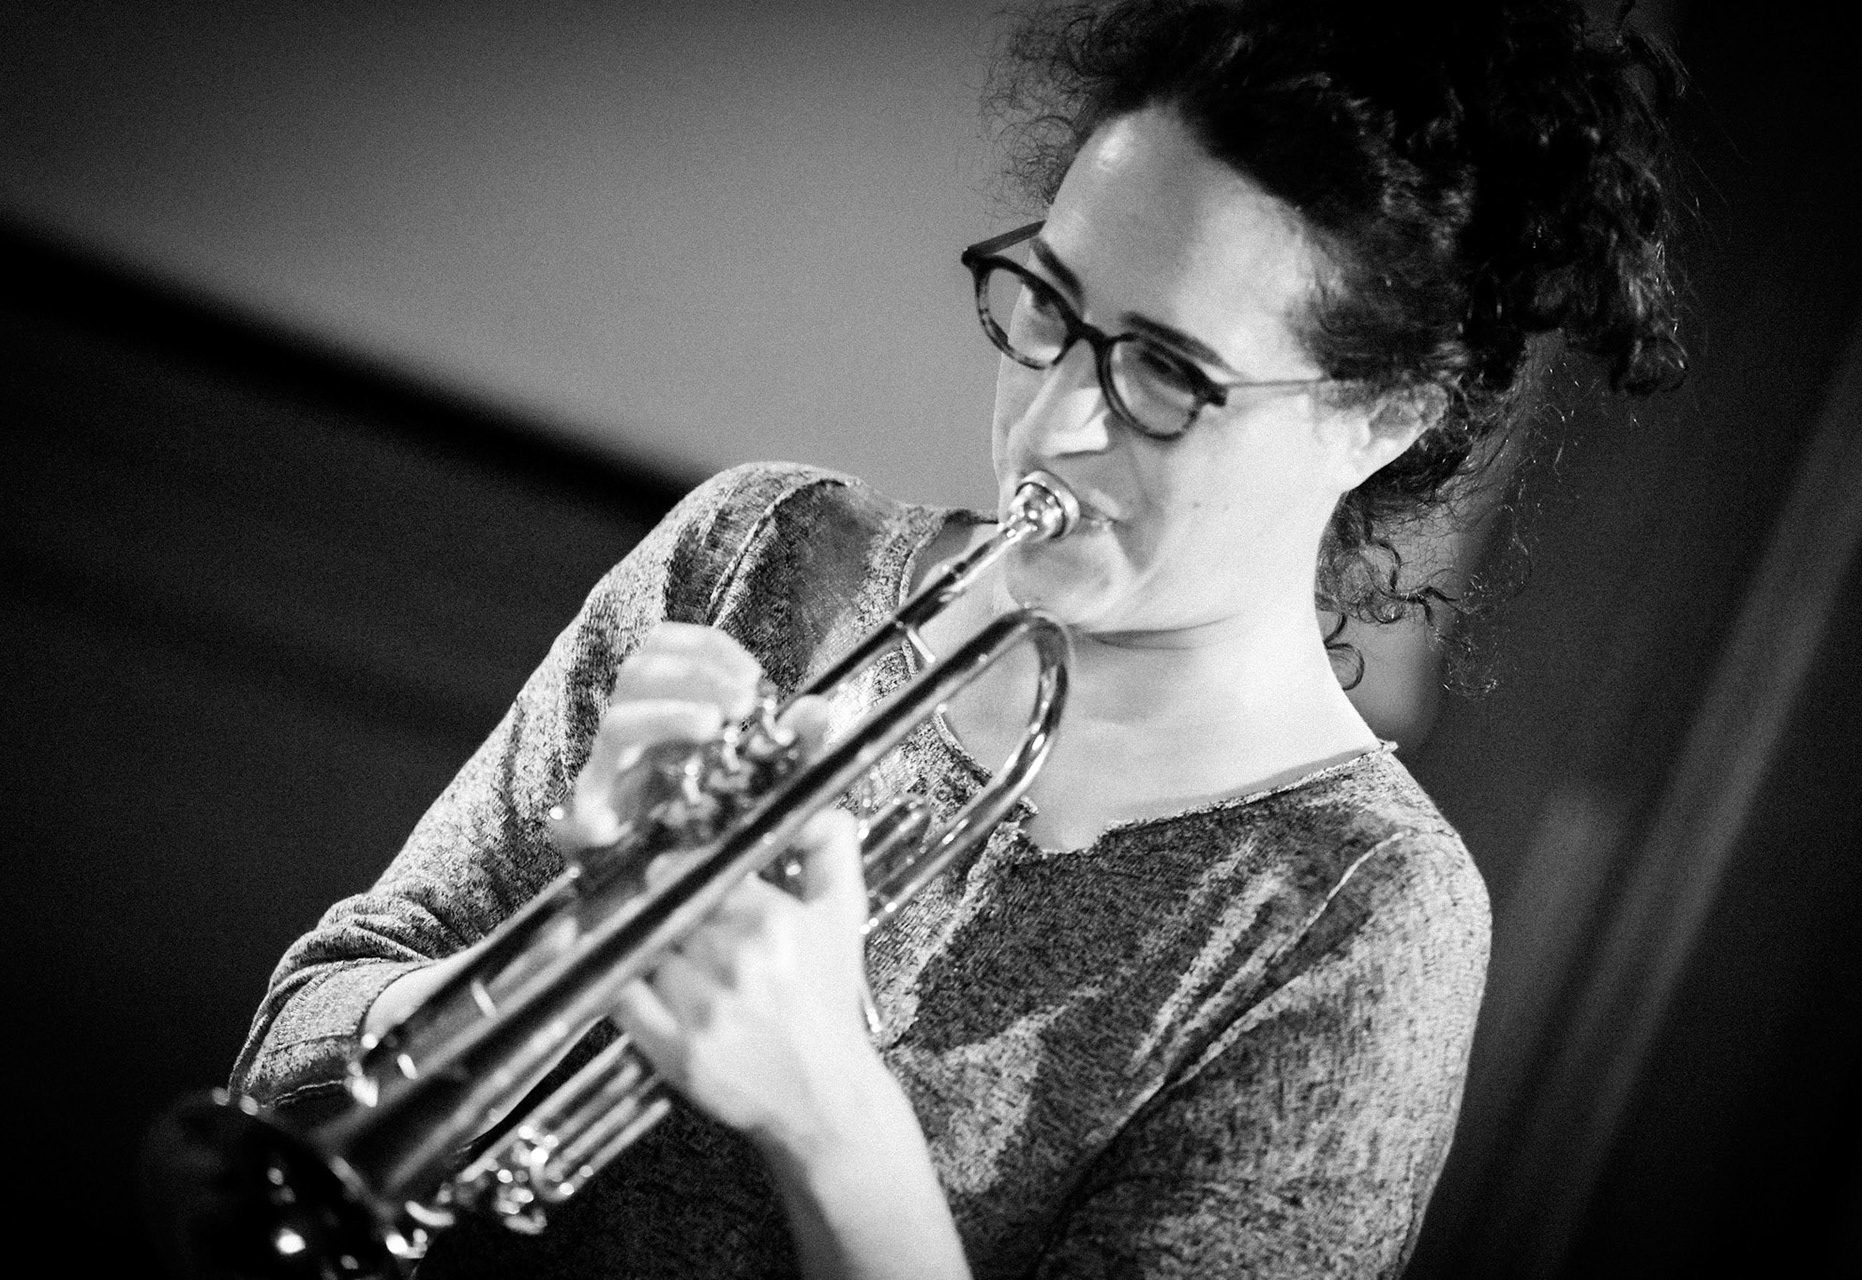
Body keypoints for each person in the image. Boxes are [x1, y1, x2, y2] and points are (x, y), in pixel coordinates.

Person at [228, 1, 1684, 1275]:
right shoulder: (763, 554)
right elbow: (296, 1052)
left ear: (1382, 416)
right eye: (1049, 304)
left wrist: (828, 1113)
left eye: (1167, 374)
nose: (1055, 418)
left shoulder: (1358, 918)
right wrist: (561, 956)